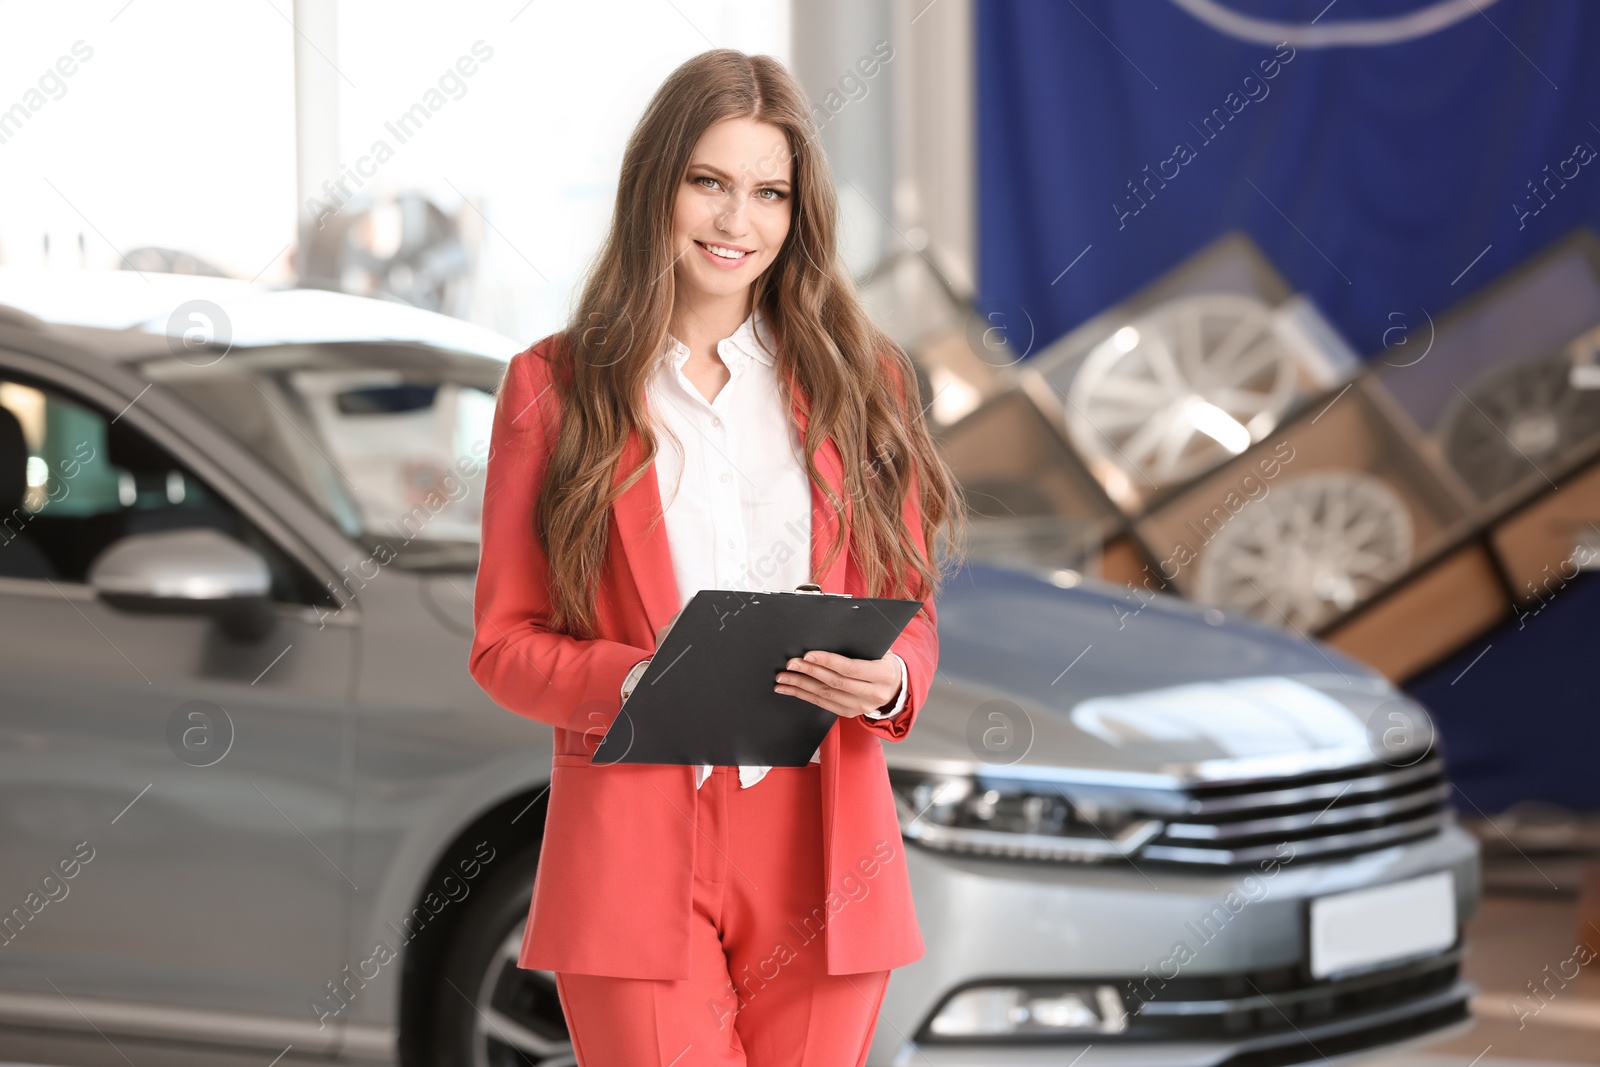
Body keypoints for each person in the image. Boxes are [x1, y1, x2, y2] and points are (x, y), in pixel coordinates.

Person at [468, 47, 966, 1066]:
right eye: (709, 182)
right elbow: (503, 644)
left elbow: (906, 608)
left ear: (796, 213)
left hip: (824, 833)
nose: (737, 221)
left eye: (768, 192)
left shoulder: (860, 381)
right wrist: (637, 678)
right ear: (658, 186)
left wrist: (886, 682)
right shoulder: (553, 386)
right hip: (636, 837)